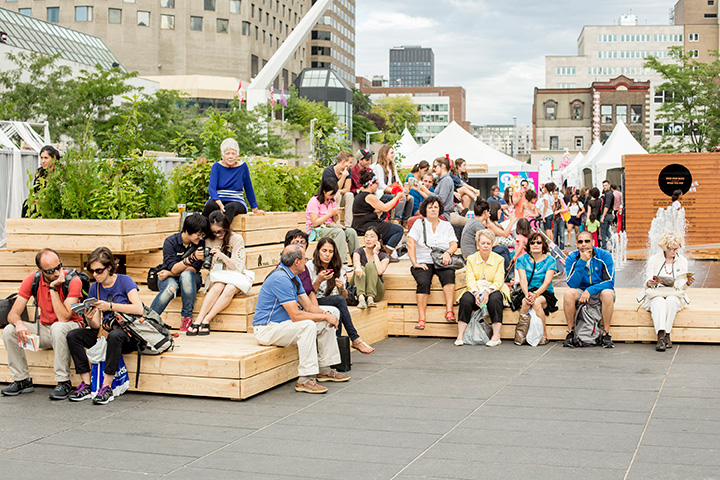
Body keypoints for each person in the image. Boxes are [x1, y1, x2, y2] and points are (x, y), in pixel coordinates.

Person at [252, 244, 349, 394]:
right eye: (305, 258)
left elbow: (309, 307)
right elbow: (296, 315)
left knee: (328, 314)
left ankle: (324, 369)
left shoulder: (293, 277)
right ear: (296, 261)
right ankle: (305, 379)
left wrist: (327, 316)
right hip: (267, 328)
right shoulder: (280, 278)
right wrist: (323, 317)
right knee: (308, 326)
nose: (307, 261)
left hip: (283, 325)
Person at [1, 249, 83, 399]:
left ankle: (63, 381)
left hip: (72, 328)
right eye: (51, 270)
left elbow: (64, 317)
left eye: (59, 267)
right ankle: (22, 380)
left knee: (58, 327)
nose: (57, 273)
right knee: (9, 330)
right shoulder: (33, 279)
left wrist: (53, 288)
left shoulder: (73, 280)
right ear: (40, 270)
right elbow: (12, 314)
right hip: (45, 329)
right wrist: (19, 323)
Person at [66, 247, 143, 405]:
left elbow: (138, 308)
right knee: (74, 335)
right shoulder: (95, 287)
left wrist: (110, 306)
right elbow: (96, 325)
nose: (95, 275)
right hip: (106, 331)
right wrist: (89, 319)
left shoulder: (124, 280)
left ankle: (106, 386)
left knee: (115, 336)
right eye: (92, 271)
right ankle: (87, 384)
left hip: (126, 334)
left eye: (99, 271)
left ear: (109, 268)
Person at [307, 237, 375, 354]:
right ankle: (355, 338)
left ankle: (338, 352)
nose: (327, 254)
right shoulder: (310, 266)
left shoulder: (338, 268)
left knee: (338, 308)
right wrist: (319, 280)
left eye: (330, 251)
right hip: (313, 302)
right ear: (318, 251)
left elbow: (343, 297)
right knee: (338, 303)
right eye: (324, 251)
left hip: (333, 301)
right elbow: (308, 295)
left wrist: (342, 288)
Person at [187, 211, 251, 336]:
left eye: (221, 231)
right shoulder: (209, 240)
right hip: (218, 276)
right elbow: (210, 267)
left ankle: (207, 319)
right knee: (218, 285)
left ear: (226, 227)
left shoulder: (236, 238)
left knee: (230, 287)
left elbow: (237, 267)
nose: (218, 234)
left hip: (235, 276)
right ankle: (199, 319)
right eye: (214, 232)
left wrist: (222, 256)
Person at [150, 214, 209, 332]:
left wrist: (170, 273)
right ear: (187, 230)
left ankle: (187, 318)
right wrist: (191, 259)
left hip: (191, 280)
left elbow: (192, 269)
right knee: (170, 288)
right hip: (168, 279)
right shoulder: (170, 242)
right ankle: (149, 319)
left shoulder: (200, 244)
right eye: (198, 234)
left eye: (203, 235)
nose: (200, 238)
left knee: (186, 275)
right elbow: (173, 268)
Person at [407, 197, 459, 331]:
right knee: (423, 281)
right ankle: (421, 318)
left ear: (439, 209)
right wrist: (415, 263)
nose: (433, 209)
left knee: (449, 275)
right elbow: (410, 242)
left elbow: (454, 243)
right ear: (425, 209)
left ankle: (449, 311)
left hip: (441, 258)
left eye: (435, 207)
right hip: (423, 260)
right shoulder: (419, 224)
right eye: (430, 207)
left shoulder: (446, 225)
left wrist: (448, 253)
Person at [455, 230, 509, 347]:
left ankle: (496, 336)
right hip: (476, 290)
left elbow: (499, 281)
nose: (485, 246)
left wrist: (487, 292)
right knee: (466, 298)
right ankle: (460, 335)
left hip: (492, 290)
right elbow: (470, 280)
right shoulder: (471, 259)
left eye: (488, 243)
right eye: (483, 243)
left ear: (492, 245)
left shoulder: (499, 259)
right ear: (477, 245)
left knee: (495, 298)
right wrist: (476, 293)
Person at [563, 230, 615, 348]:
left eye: (587, 241)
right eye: (580, 242)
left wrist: (590, 290)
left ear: (593, 242)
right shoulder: (572, 258)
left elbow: (610, 282)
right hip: (581, 291)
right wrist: (582, 262)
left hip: (599, 291)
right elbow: (572, 284)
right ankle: (571, 332)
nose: (584, 244)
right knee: (568, 293)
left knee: (608, 293)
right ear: (576, 243)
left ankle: (606, 333)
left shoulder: (604, 256)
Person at [643, 231, 694, 351]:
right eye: (671, 249)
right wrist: (649, 283)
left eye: (676, 249)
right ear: (665, 247)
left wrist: (687, 283)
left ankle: (666, 334)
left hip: (674, 293)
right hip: (656, 293)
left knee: (671, 301)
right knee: (659, 301)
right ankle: (661, 336)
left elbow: (681, 287)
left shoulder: (682, 261)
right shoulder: (654, 259)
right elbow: (647, 281)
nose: (674, 252)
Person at [202, 138, 264, 223]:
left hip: (236, 201)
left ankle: (222, 233)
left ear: (237, 155)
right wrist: (218, 202)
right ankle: (202, 232)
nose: (230, 156)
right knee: (210, 205)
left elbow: (248, 188)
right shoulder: (216, 166)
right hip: (219, 199)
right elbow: (212, 188)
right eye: (227, 153)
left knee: (230, 208)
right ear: (222, 155)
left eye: (233, 153)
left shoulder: (243, 167)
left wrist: (255, 209)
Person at [516, 232, 558, 346]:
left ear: (543, 245)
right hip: (527, 291)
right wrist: (527, 294)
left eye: (539, 242)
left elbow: (547, 282)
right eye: (532, 242)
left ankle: (543, 334)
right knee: (525, 303)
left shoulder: (550, 260)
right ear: (528, 245)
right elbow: (523, 280)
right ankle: (520, 335)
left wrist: (536, 294)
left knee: (536, 302)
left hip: (544, 292)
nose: (535, 245)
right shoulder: (522, 260)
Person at [305, 177, 359, 264]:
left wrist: (336, 214)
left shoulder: (332, 201)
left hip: (330, 227)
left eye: (334, 194)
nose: (333, 196)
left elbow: (333, 220)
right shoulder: (314, 201)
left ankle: (357, 262)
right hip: (316, 230)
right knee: (339, 232)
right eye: (331, 194)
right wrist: (330, 213)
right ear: (324, 190)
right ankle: (342, 264)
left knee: (351, 232)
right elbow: (314, 223)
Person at [351, 170, 404, 255]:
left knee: (389, 230)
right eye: (376, 183)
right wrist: (397, 197)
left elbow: (379, 208)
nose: (377, 186)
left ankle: (383, 250)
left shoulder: (360, 195)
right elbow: (385, 208)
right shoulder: (369, 196)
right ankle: (386, 253)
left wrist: (393, 202)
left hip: (361, 224)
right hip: (366, 225)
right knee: (398, 230)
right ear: (370, 184)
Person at [371, 145, 413, 225]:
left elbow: (398, 181)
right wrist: (395, 191)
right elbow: (381, 185)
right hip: (381, 194)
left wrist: (403, 190)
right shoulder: (378, 167)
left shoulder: (392, 166)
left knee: (411, 199)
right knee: (401, 197)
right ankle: (395, 220)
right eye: (391, 153)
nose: (393, 155)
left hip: (391, 192)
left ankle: (405, 221)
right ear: (384, 154)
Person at [350, 227, 390, 310]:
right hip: (358, 289)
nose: (368, 239)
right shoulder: (358, 251)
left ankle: (370, 297)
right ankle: (361, 299)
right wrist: (358, 267)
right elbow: (356, 263)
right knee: (361, 267)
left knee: (370, 266)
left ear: (378, 240)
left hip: (376, 291)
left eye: (372, 236)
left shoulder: (383, 256)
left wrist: (375, 253)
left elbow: (379, 271)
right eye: (366, 236)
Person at [22, 145, 61, 218]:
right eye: (41, 158)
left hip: (54, 203)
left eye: (46, 158)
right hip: (40, 201)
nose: (43, 161)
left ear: (54, 158)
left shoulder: (60, 173)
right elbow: (35, 190)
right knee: (27, 204)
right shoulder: (40, 172)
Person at [321, 150, 354, 227]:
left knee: (349, 195)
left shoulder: (348, 170)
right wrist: (343, 177)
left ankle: (348, 226)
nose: (351, 165)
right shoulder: (328, 171)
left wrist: (339, 191)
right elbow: (332, 189)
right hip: (327, 199)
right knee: (336, 195)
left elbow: (347, 189)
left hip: (339, 197)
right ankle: (337, 224)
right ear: (343, 162)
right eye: (350, 162)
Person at [432, 156, 466, 230]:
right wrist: (420, 190)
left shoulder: (446, 180)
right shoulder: (443, 180)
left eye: (435, 166)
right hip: (442, 213)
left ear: (443, 166)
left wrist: (424, 190)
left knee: (413, 221)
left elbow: (441, 199)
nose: (434, 169)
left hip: (443, 215)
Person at [600, 180, 615, 249]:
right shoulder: (609, 193)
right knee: (607, 231)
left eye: (606, 185)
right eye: (603, 186)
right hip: (609, 214)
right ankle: (614, 244)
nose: (604, 187)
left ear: (609, 185)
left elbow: (607, 206)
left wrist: (603, 216)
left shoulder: (608, 194)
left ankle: (604, 247)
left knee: (604, 232)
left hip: (606, 215)